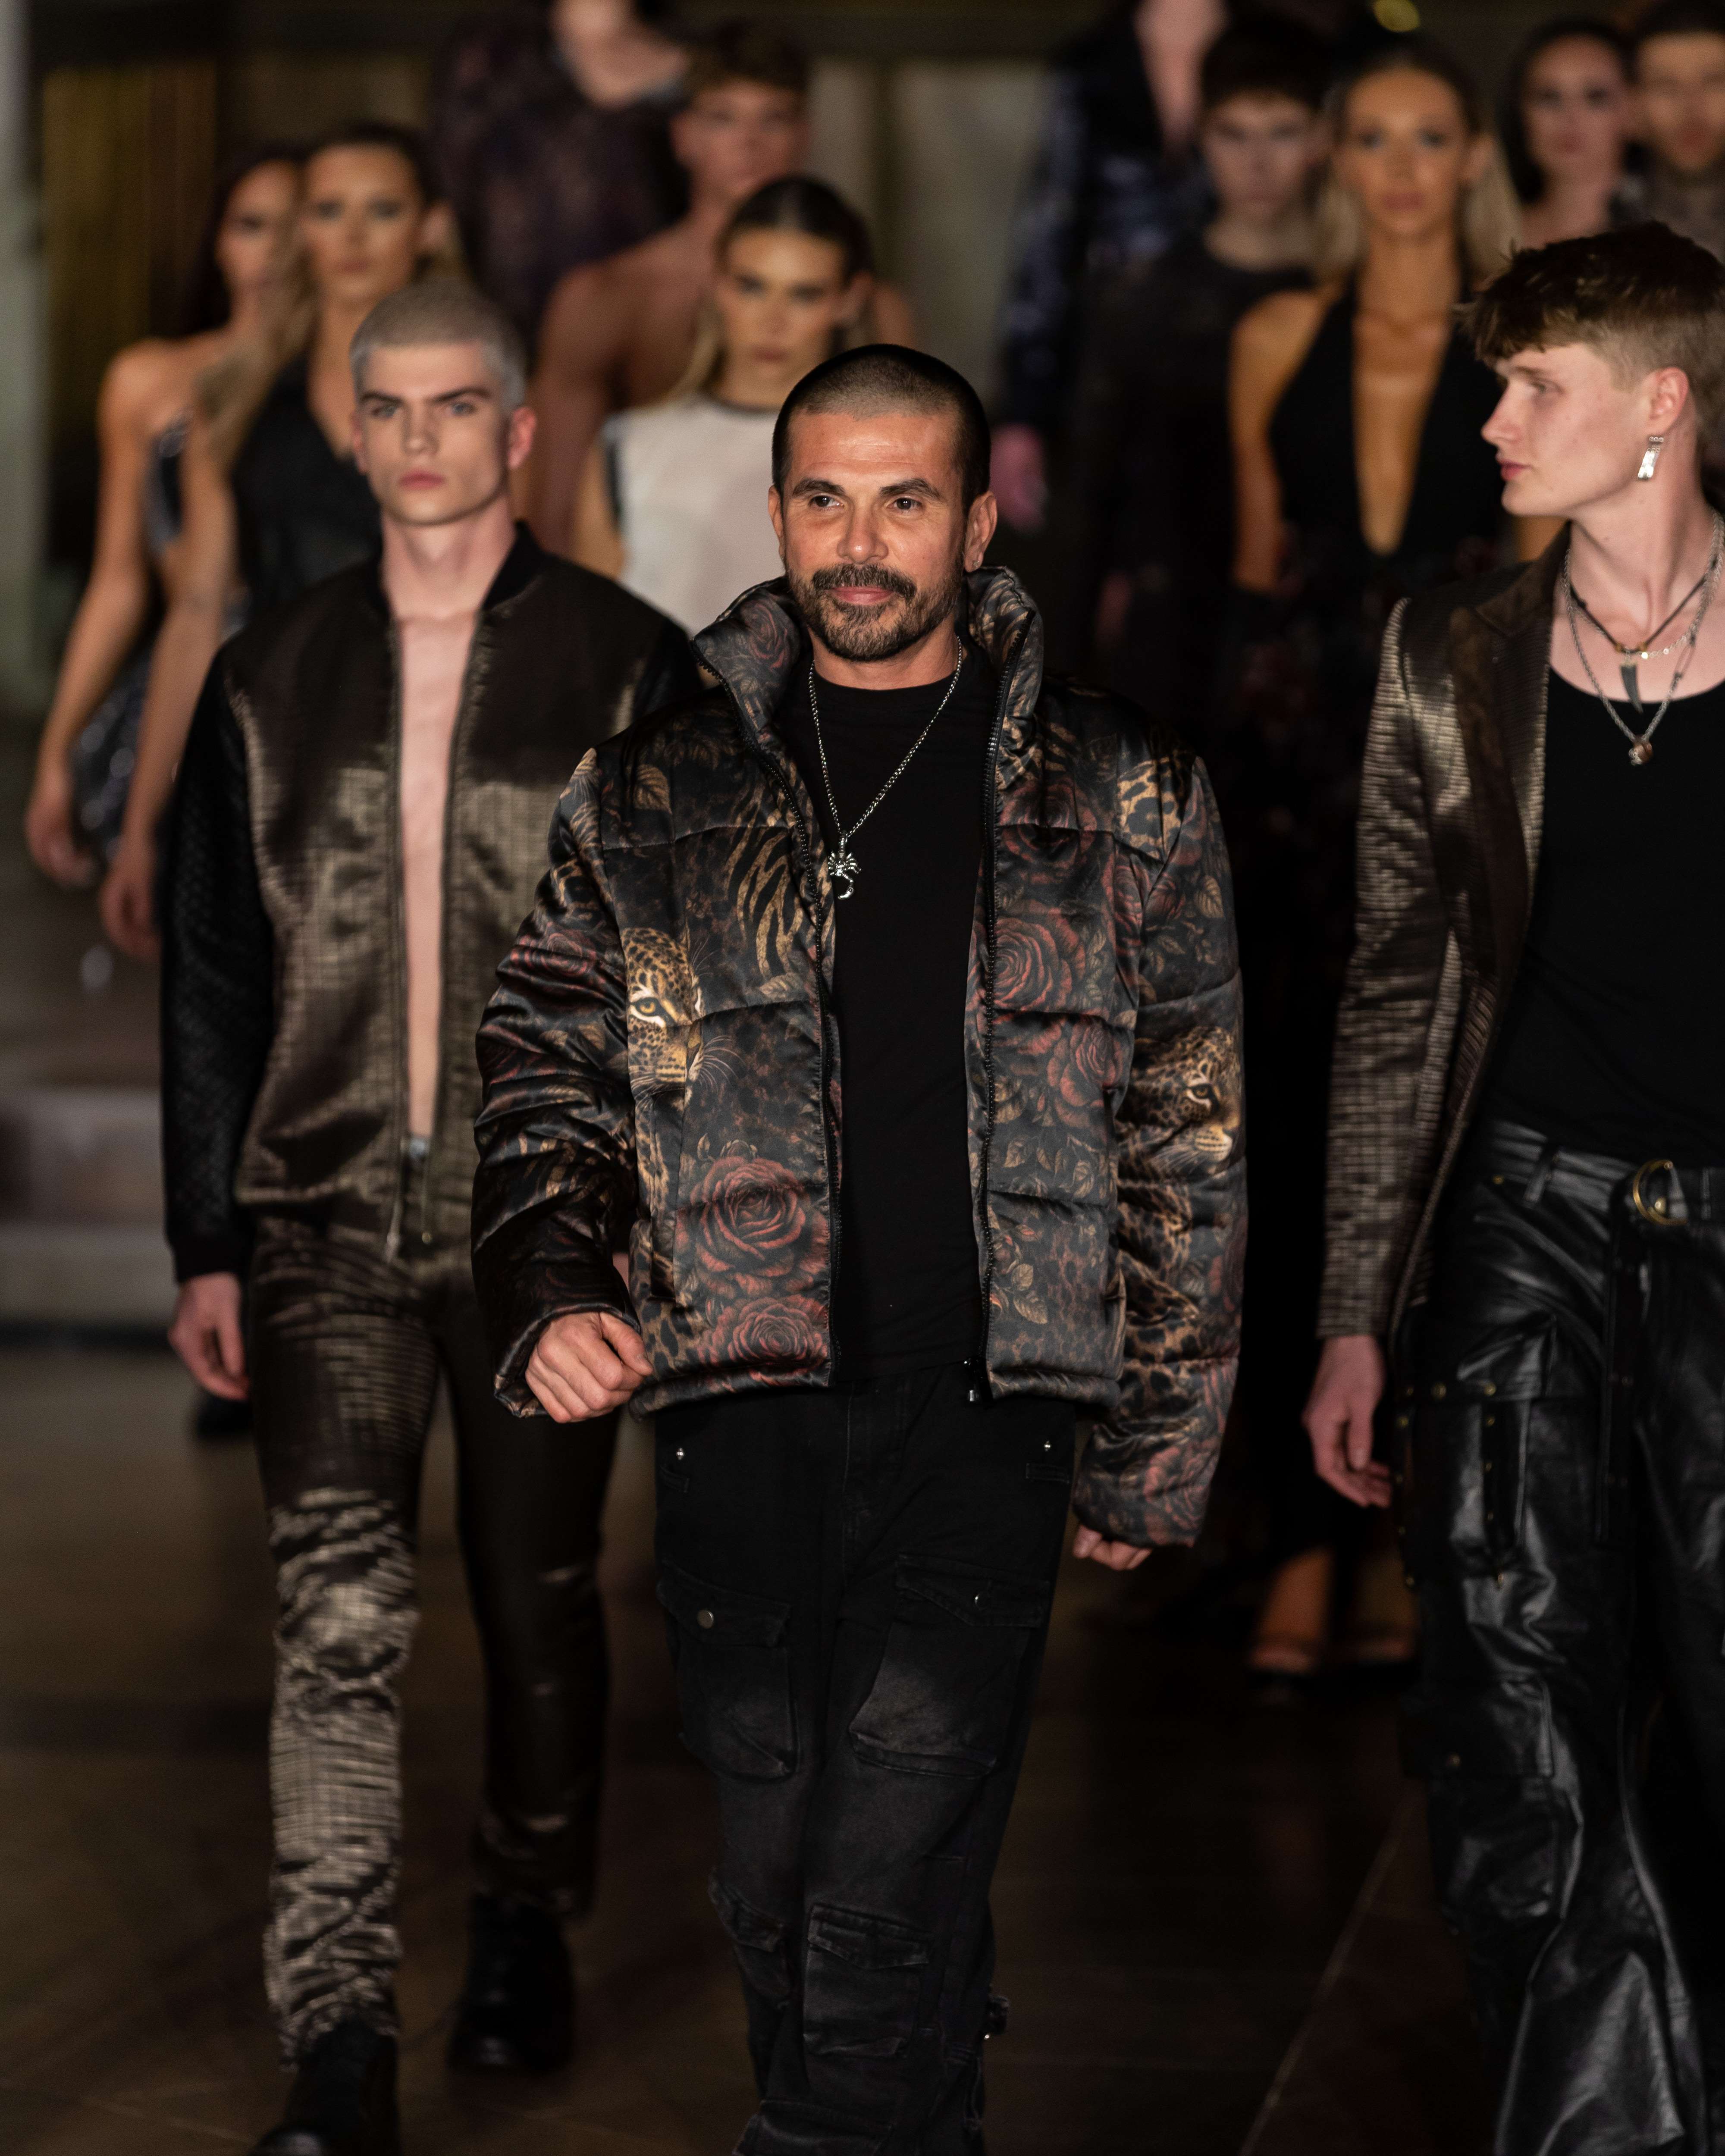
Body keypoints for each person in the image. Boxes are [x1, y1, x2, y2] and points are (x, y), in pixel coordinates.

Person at [470, 344, 1245, 2154]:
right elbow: (544, 1061)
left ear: (974, 526)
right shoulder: (653, 788)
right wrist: (555, 1281)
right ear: (774, 513)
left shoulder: (1120, 788)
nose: (859, 540)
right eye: (823, 498)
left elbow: (1188, 1128)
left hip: (988, 1401)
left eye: (904, 500)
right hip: (734, 1396)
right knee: (771, 1880)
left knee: (880, 1882)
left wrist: (1155, 1435)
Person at [159, 280, 696, 2156]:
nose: (416, 440)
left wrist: (656, 1226)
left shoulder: (628, 664)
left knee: (536, 1590)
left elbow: (682, 975)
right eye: (385, 408)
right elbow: (214, 975)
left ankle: (527, 1908)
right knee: (334, 1619)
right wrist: (204, 1236)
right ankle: (335, 2037)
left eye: (453, 406)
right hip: (317, 1213)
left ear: (517, 429)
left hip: (548, 1222)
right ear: (352, 430)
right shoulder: (270, 673)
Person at [1306, 221, 1725, 2156]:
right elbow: (1396, 989)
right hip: (1519, 1223)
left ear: (1658, 405)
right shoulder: (1445, 652)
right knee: (1511, 1704)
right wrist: (1351, 1308)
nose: (1489, 421)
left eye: (1533, 385)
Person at [1225, 37, 1521, 1683]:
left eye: (1429, 137)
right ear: (1338, 161)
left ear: (1469, 154)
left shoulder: (1525, 338)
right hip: (1294, 766)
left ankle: (1416, 1525)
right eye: (1374, 139)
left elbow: (1545, 581)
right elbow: (1258, 570)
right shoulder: (1276, 334)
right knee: (1288, 1130)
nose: (1401, 168)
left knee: (1454, 1126)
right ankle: (1294, 1536)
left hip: (1468, 738)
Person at [100, 123, 452, 962]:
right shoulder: (240, 397)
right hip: (273, 760)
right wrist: (145, 823)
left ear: (430, 226)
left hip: (438, 763)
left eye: (381, 210)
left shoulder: (478, 387)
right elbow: (198, 610)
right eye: (328, 211)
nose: (353, 236)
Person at [524, 20, 914, 555]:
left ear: (805, 134)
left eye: (773, 119)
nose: (749, 144)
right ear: (684, 136)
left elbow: (916, 491)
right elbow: (556, 509)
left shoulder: (871, 306)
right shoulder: (608, 297)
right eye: (723, 118)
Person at [23, 146, 300, 888]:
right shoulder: (146, 380)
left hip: (311, 688)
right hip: (187, 683)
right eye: (251, 224)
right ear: (218, 241)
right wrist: (55, 751)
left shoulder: (348, 384)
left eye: (296, 224)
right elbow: (118, 581)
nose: (274, 249)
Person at [1064, 14, 1328, 715]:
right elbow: (1093, 490)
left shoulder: (1351, 295)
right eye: (1234, 134)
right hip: (1172, 617)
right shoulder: (1142, 297)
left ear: (1320, 140)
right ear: (1200, 137)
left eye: (1282, 132)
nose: (1258, 163)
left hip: (1317, 623)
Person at [573, 176, 874, 631]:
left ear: (849, 300)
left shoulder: (888, 456)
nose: (773, 321)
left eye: (804, 294)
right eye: (751, 287)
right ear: (717, 284)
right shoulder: (628, 448)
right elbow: (598, 644)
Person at [991, 0, 1227, 535]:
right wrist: (1023, 411)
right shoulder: (1091, 64)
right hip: (1106, 376)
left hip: (1248, 362)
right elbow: (1049, 234)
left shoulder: (1279, 47)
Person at [430, 0, 689, 353]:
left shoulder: (691, 57)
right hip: (515, 318)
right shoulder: (492, 55)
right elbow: (452, 190)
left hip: (660, 324)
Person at [1500, 16, 1635, 250]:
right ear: (1520, 112)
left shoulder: (1672, 242)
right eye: (1549, 97)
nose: (1570, 118)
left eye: (1595, 97)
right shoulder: (1481, 241)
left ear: (1634, 110)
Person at [1625, 0, 1725, 262]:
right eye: (1665, 85)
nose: (1691, 109)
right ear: (1632, 107)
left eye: (1714, 81)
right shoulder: (1591, 241)